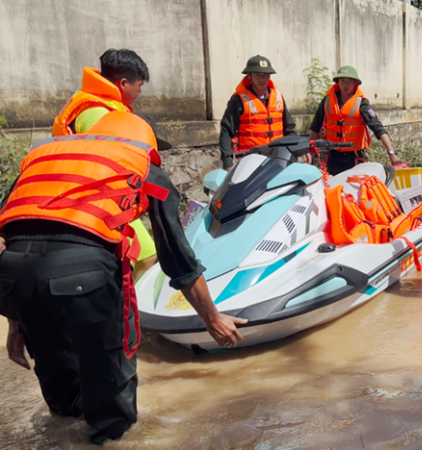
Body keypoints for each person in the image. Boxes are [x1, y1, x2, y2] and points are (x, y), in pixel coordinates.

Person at [0, 112, 247, 445]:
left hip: (11, 278)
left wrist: (18, 320)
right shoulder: (143, 165)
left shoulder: (44, 157)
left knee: (62, 397)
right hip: (82, 277)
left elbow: (11, 231)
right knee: (110, 401)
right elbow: (177, 258)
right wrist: (212, 319)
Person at [52, 48, 159, 276]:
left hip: (98, 196)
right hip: (96, 198)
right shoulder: (95, 112)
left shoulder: (99, 107)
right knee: (147, 256)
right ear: (123, 83)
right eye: (139, 85)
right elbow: (108, 160)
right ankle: (127, 309)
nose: (139, 92)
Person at [309, 66, 401, 176]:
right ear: (338, 82)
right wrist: (310, 152)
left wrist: (391, 153)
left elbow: (378, 128)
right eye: (342, 81)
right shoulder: (327, 100)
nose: (345, 85)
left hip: (355, 156)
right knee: (333, 188)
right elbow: (315, 127)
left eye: (349, 81)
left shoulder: (361, 103)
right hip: (334, 156)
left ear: (355, 83)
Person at [219, 55, 299, 171]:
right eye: (258, 75)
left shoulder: (278, 98)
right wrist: (227, 163)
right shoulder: (238, 101)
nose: (262, 79)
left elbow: (289, 128)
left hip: (277, 159)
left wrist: (298, 149)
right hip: (250, 160)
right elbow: (226, 131)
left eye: (265, 75)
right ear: (249, 76)